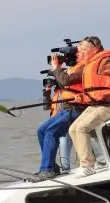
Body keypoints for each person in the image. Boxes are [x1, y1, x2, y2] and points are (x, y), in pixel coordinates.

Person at [50, 36, 110, 178]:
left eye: (84, 49)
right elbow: (93, 89)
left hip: (109, 105)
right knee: (73, 129)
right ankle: (89, 163)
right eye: (80, 49)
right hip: (95, 104)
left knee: (82, 128)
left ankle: (87, 165)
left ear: (94, 49)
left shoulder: (106, 62)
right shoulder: (90, 64)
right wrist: (81, 97)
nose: (81, 52)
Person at [32, 53, 88, 181]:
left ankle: (47, 169)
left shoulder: (81, 69)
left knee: (52, 134)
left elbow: (66, 80)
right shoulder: (61, 89)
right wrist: (47, 91)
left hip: (75, 110)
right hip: (62, 115)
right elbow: (47, 106)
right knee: (41, 130)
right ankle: (51, 167)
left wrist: (56, 69)